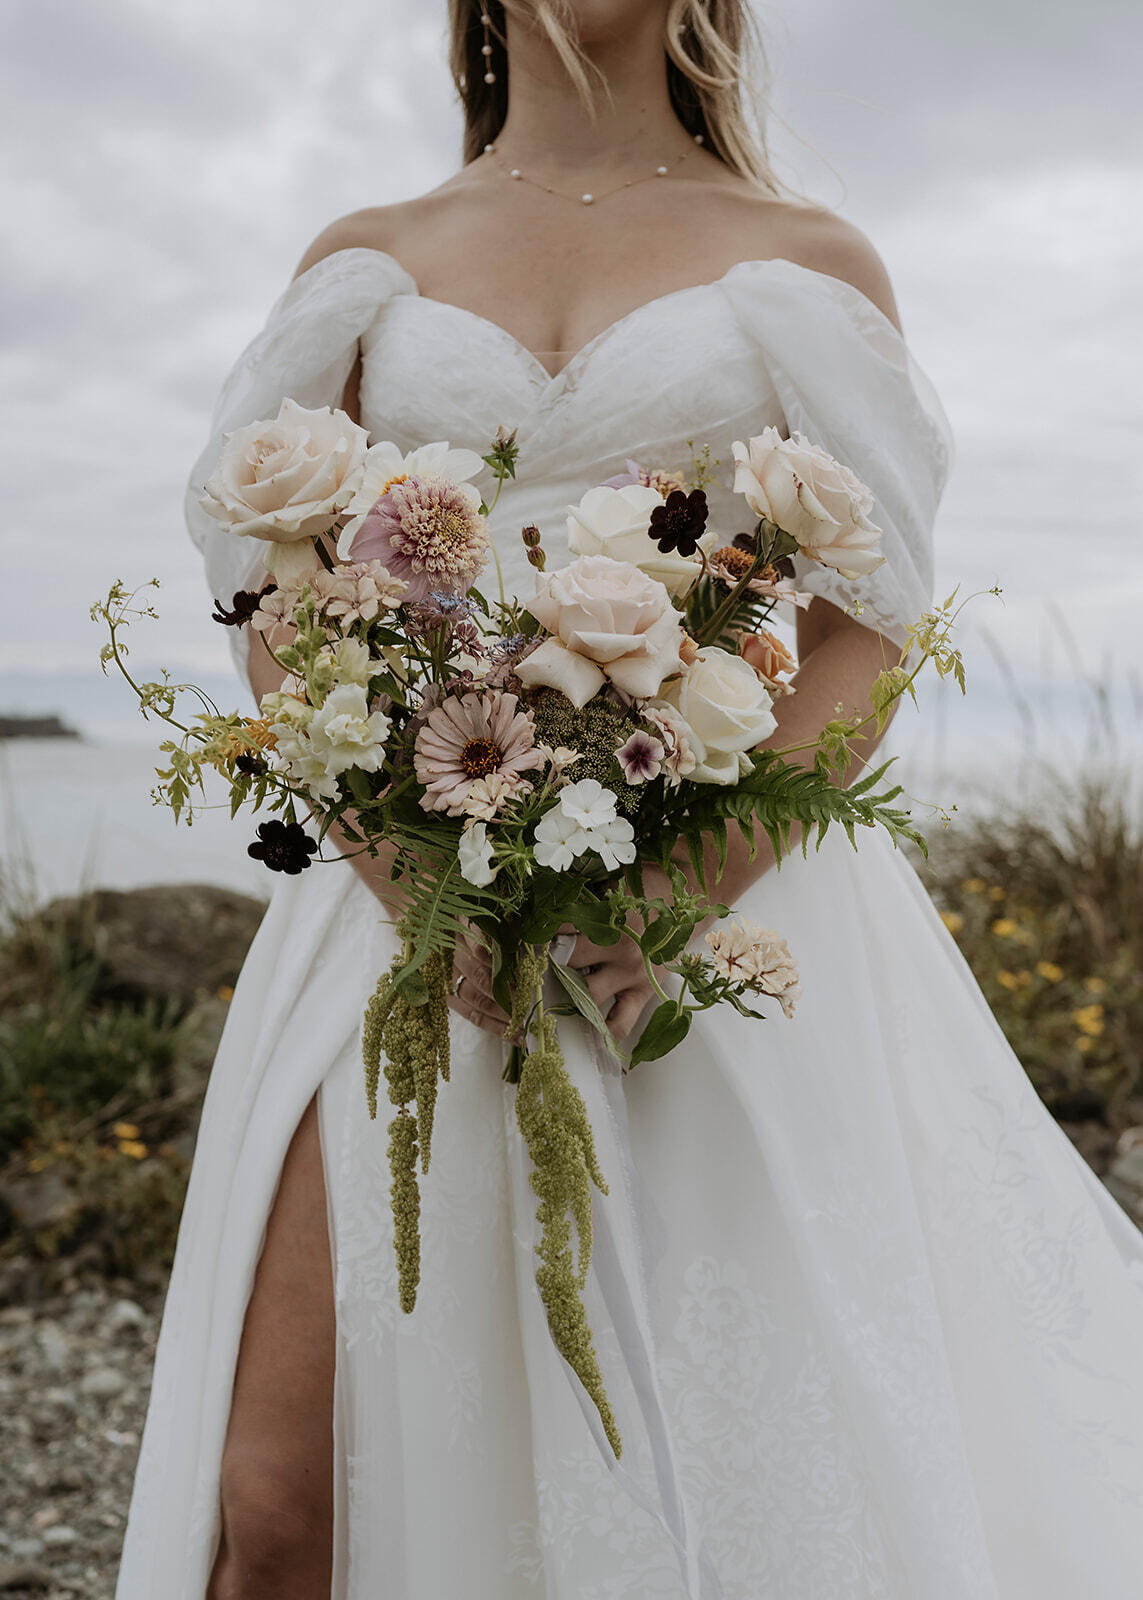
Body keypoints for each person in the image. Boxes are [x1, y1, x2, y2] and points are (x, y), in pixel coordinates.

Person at [116, 3, 1143, 1597]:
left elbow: (872, 620)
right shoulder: (369, 260)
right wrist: (413, 876)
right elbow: (268, 593)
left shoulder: (804, 259)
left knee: (711, 1488)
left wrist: (677, 894)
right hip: (397, 907)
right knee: (277, 1503)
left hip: (707, 921)